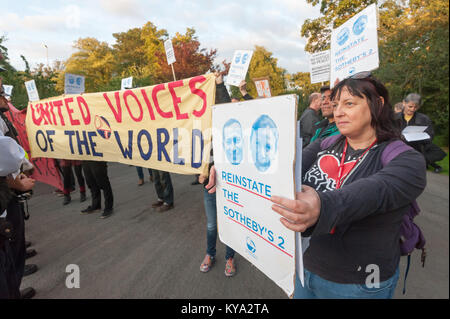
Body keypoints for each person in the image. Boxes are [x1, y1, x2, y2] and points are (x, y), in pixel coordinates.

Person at [269, 72, 427, 298]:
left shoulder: (405, 159)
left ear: (378, 104)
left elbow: (377, 190)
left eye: (349, 103)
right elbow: (283, 167)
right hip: (306, 267)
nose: (338, 112)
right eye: (335, 105)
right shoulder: (326, 143)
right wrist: (232, 172)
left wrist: (321, 206)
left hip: (358, 284)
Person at [199, 72, 236, 277]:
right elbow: (194, 153)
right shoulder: (198, 124)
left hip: (230, 180)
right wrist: (199, 173)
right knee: (212, 223)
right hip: (209, 183)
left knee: (229, 221)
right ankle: (210, 254)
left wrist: (219, 84)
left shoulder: (227, 121)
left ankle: (230, 257)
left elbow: (225, 105)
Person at [395, 93, 445, 173]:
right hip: (398, 152)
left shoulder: (424, 119)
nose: (412, 109)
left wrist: (418, 137)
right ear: (404, 103)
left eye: (416, 107)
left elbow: (430, 136)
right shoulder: (394, 118)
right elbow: (387, 133)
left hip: (416, 152)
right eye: (410, 106)